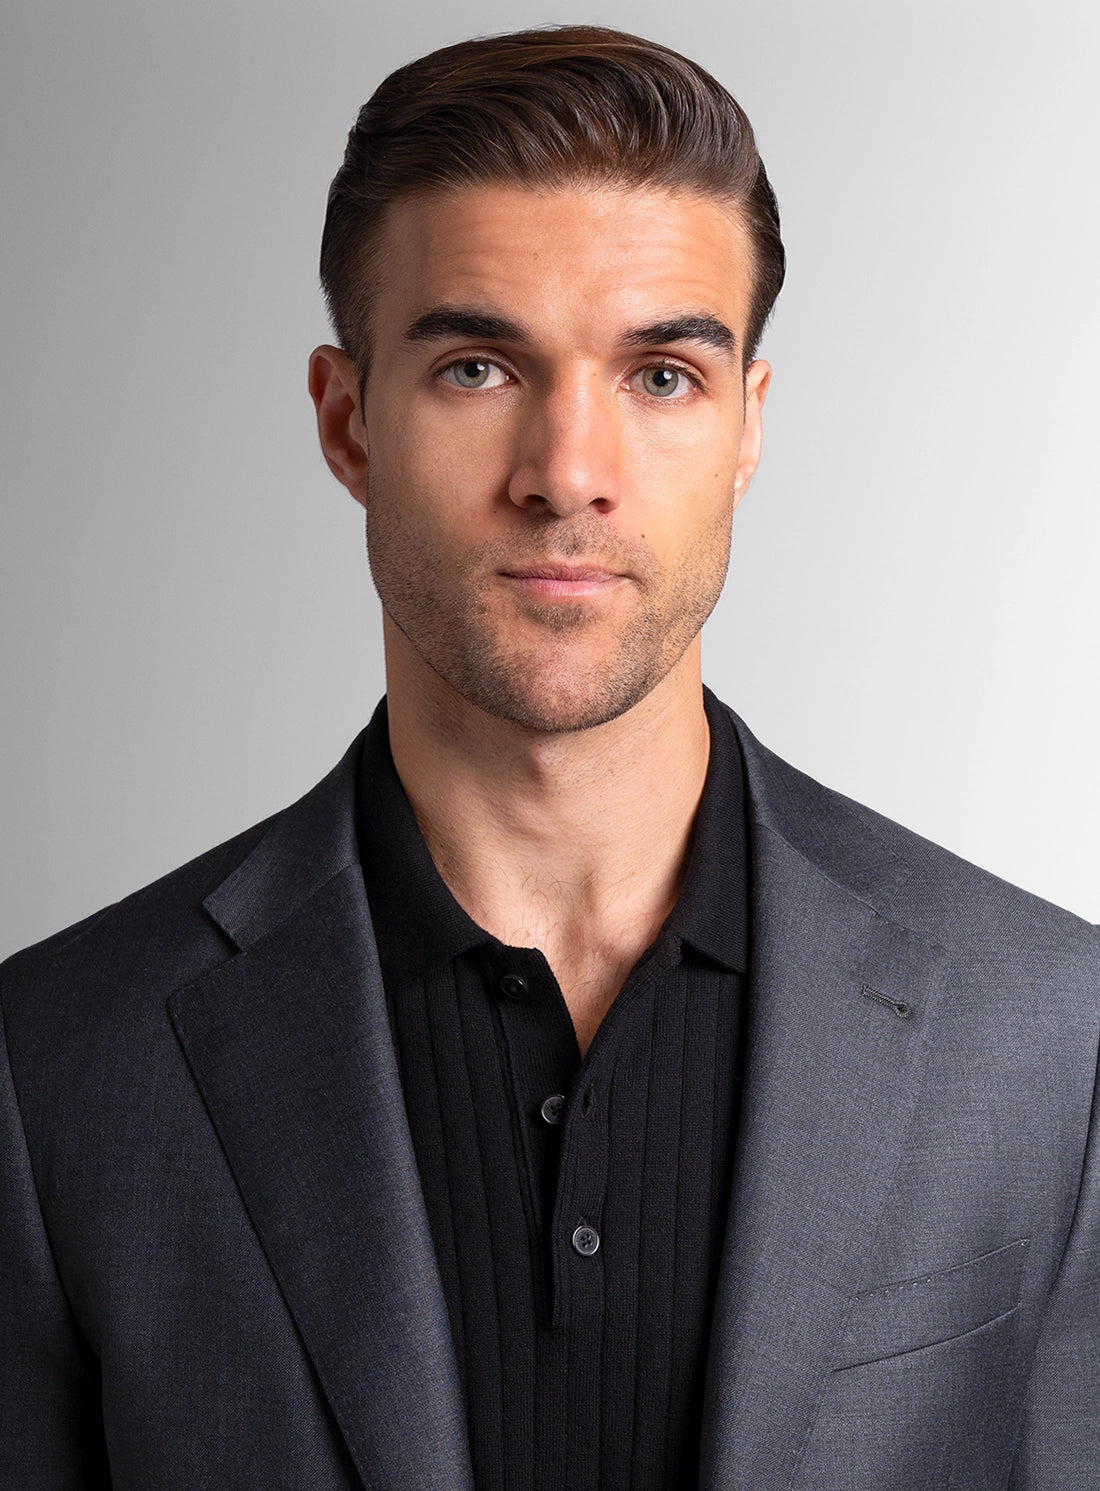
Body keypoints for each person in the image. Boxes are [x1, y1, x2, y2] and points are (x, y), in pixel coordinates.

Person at [1, 23, 1097, 1491]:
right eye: (475, 366)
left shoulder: (1047, 1038)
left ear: (747, 431)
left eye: (660, 376)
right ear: (347, 422)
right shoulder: (62, 1064)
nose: (567, 471)